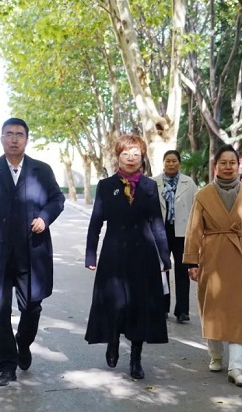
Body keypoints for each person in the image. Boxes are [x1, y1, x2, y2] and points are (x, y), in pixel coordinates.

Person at [0, 117, 65, 387]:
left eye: (19, 134)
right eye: (9, 134)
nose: (14, 139)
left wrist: (45, 217)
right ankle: (7, 366)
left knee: (32, 307)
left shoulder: (41, 170)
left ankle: (24, 341)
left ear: (26, 140)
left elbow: (58, 198)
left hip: (32, 251)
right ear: (1, 138)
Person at [183, 144, 242, 388]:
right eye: (223, 162)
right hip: (212, 258)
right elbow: (194, 230)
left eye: (232, 162)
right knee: (212, 310)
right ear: (216, 166)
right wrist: (192, 261)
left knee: (241, 313)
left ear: (238, 166)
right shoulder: (203, 195)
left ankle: (236, 367)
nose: (228, 166)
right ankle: (215, 355)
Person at [85, 135, 170, 380]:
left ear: (142, 158)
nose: (131, 158)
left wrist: (165, 257)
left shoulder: (149, 186)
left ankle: (136, 358)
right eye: (126, 154)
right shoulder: (105, 185)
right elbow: (96, 223)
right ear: (118, 157)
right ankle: (112, 341)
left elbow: (157, 223)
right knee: (115, 303)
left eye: (136, 154)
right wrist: (91, 254)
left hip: (143, 255)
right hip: (113, 254)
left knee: (139, 306)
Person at [154, 150, 197, 323]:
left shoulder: (189, 182)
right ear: (163, 163)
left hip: (182, 232)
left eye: (174, 161)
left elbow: (195, 207)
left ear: (179, 163)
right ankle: (162, 307)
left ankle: (182, 310)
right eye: (168, 161)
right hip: (160, 231)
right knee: (162, 270)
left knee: (182, 271)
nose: (171, 164)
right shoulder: (154, 183)